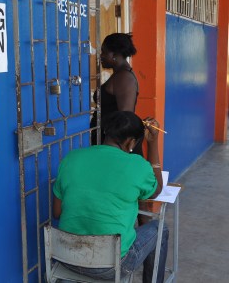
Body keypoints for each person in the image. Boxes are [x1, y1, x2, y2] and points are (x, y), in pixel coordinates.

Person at [53, 111, 168, 283]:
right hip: (110, 266)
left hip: (66, 256)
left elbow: (57, 212)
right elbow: (157, 189)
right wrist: (153, 143)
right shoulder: (136, 165)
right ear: (131, 142)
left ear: (107, 131)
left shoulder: (71, 158)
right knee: (160, 229)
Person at [90, 33, 140, 152]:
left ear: (115, 55)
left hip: (115, 144)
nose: (101, 56)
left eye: (104, 52)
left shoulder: (124, 78)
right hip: (109, 140)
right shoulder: (119, 74)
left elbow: (125, 117)